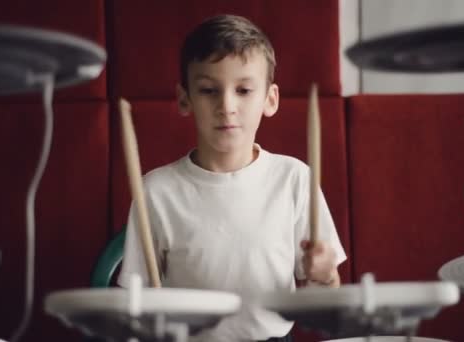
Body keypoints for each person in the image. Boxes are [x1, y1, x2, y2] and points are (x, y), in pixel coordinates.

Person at [118, 14, 346, 342]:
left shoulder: (294, 179)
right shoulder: (156, 190)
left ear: (270, 99)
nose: (227, 106)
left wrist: (324, 275)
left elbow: (326, 299)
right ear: (185, 99)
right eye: (209, 90)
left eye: (243, 89)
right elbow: (134, 305)